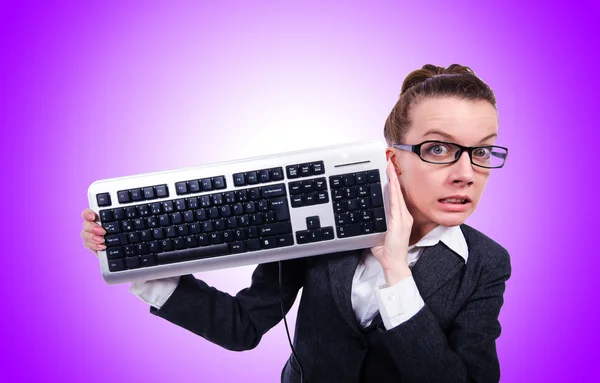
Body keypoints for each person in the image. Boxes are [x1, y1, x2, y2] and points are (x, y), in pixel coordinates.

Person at [81, 64, 511, 382]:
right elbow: (242, 327)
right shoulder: (323, 224)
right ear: (392, 159)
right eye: (439, 148)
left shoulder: (486, 264)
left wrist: (396, 270)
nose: (467, 173)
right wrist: (137, 255)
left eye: (482, 152)